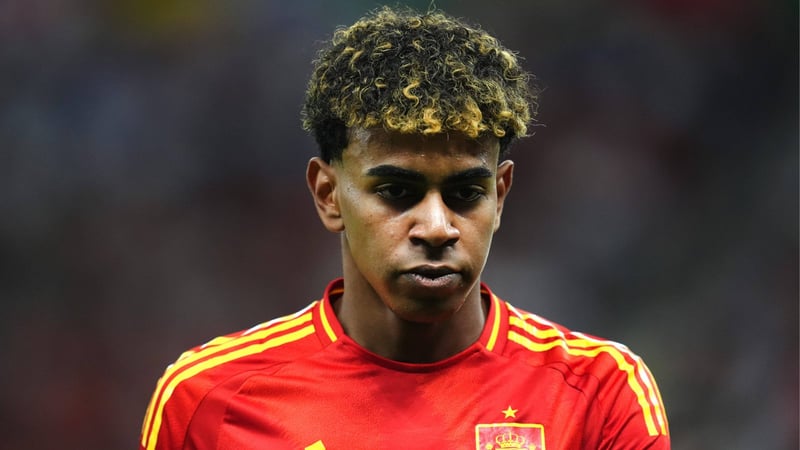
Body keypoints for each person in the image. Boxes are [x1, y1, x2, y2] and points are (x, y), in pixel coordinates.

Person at [139, 6, 670, 449]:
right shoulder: (209, 399)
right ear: (328, 195)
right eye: (397, 191)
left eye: (466, 193)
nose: (436, 228)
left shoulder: (599, 393)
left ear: (501, 195)